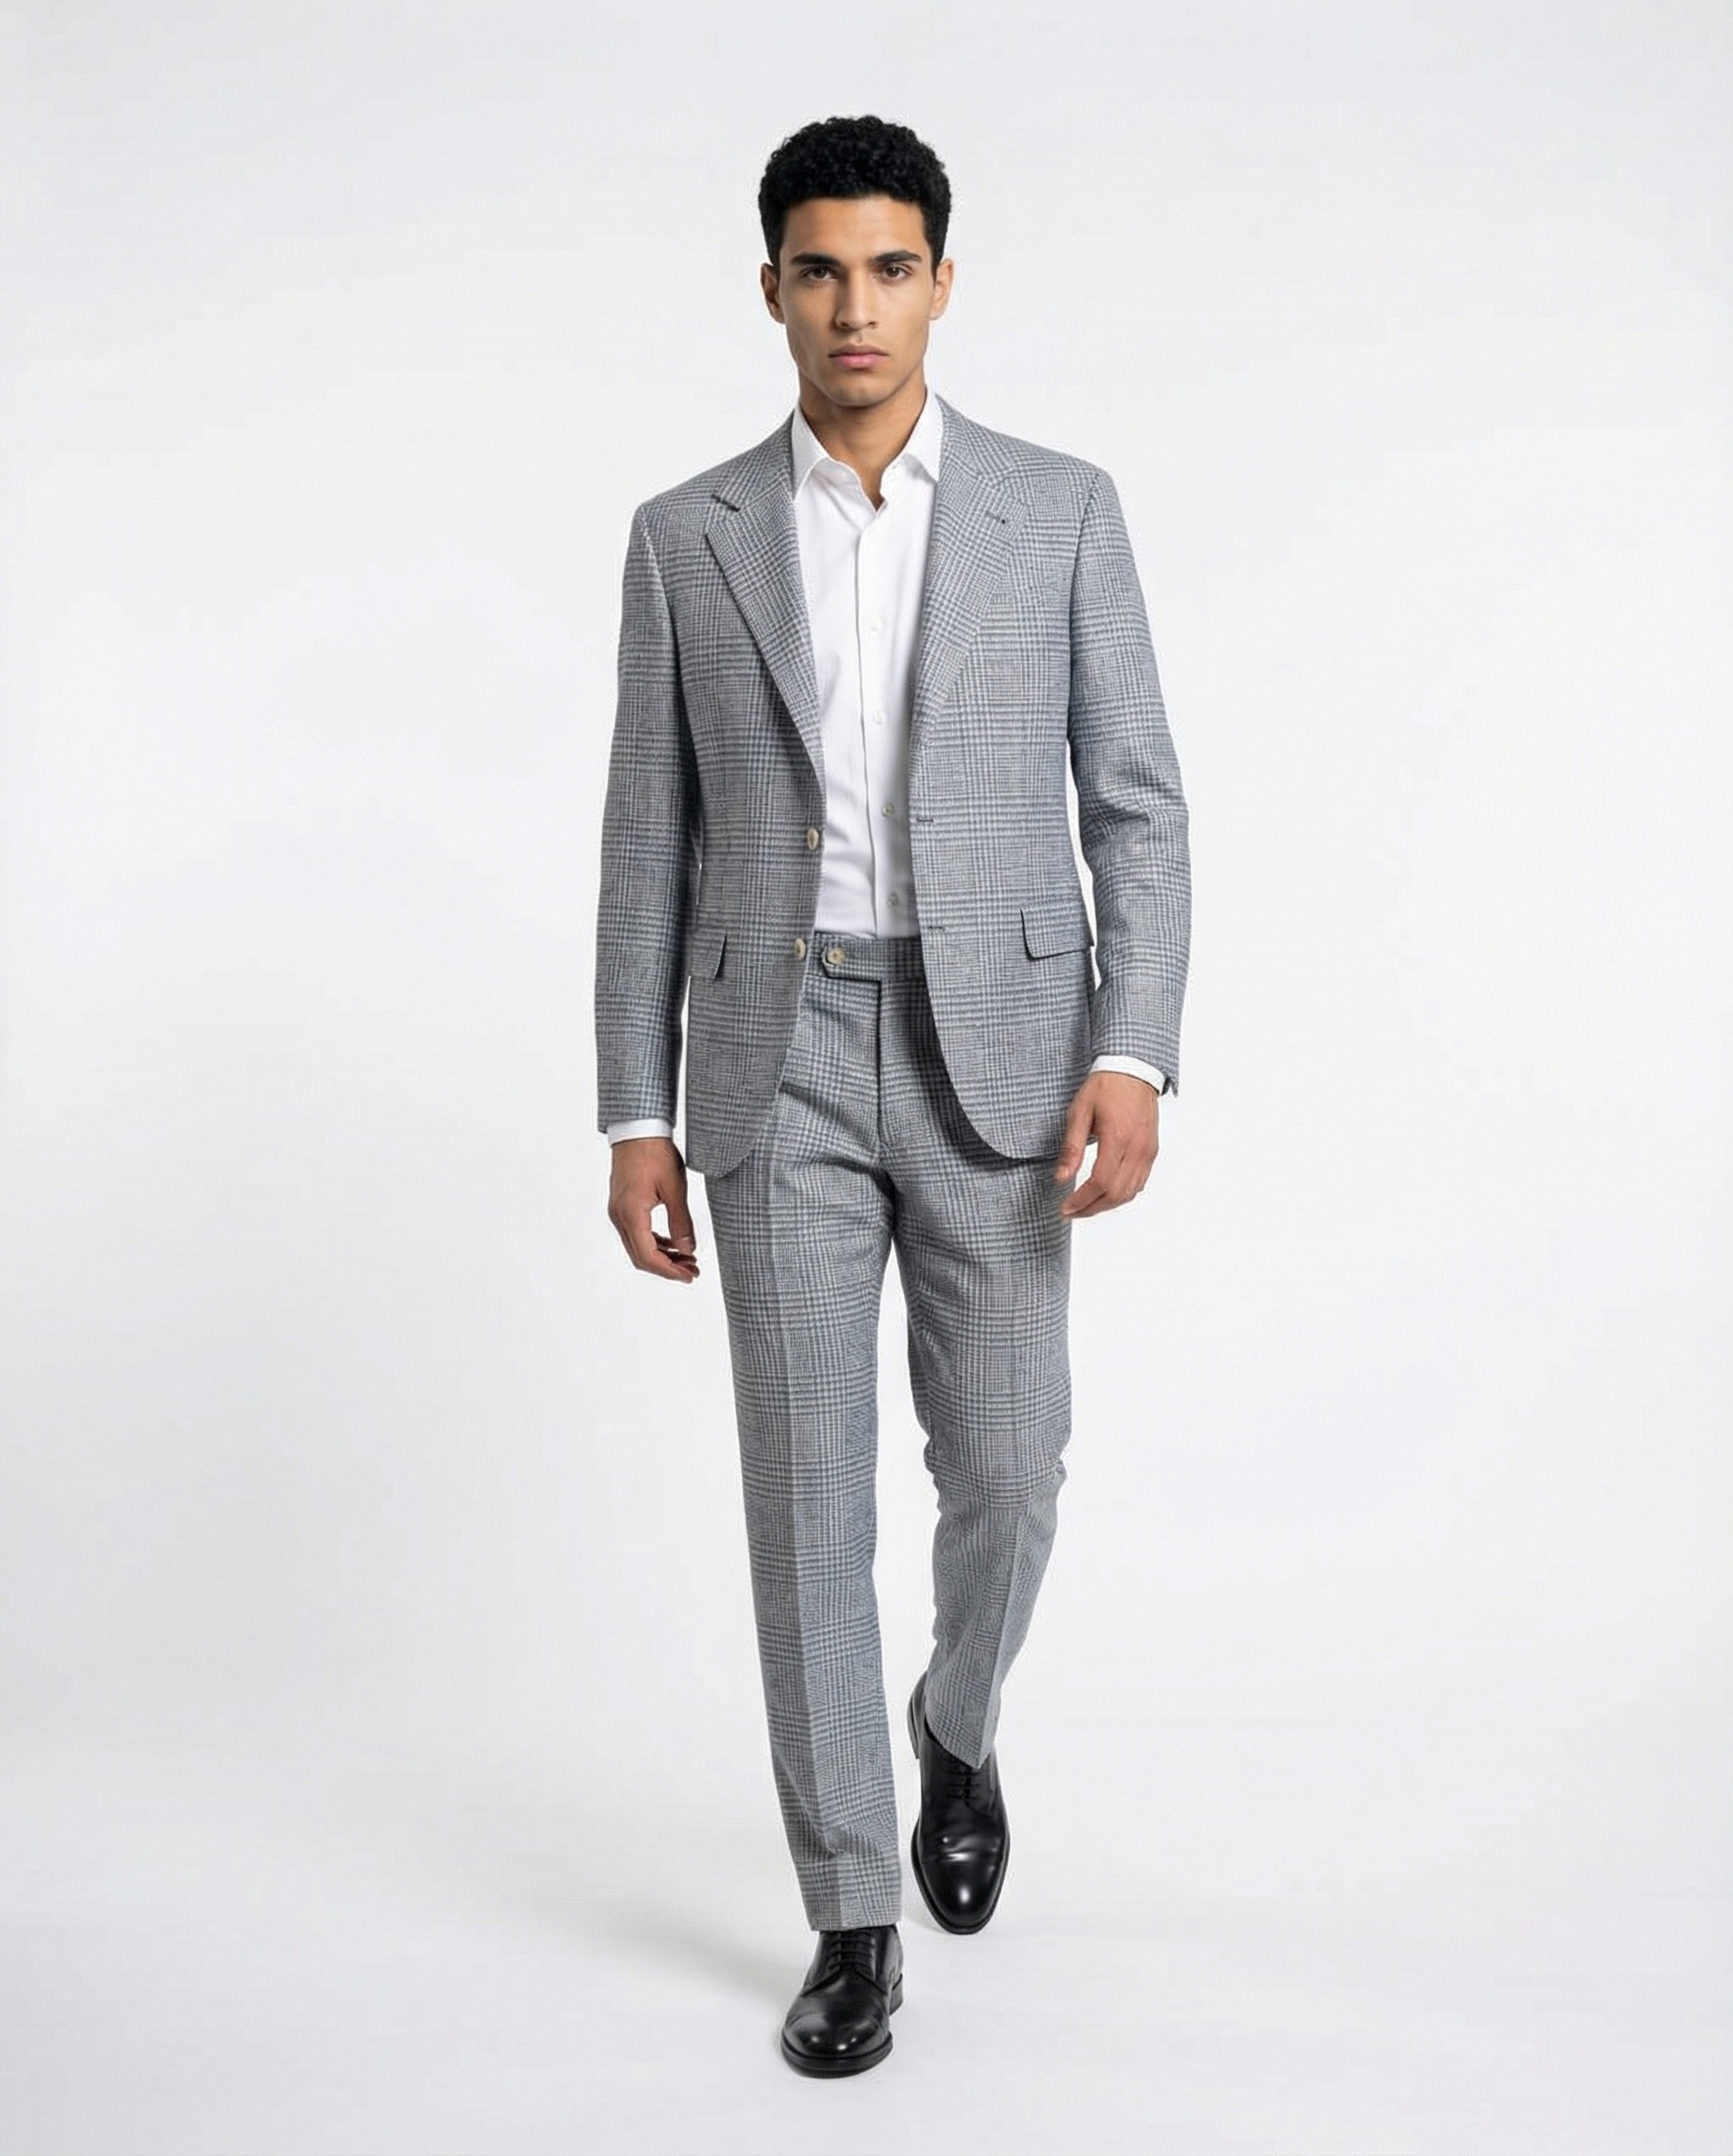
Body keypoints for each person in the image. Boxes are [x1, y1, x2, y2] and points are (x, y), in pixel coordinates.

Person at [594, 113, 1189, 2076]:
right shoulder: (685, 536)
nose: (855, 305)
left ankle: (957, 1721)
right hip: (773, 1062)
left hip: (1000, 1054)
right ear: (770, 289)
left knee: (1009, 1469)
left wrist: (1130, 1049)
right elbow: (648, 838)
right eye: (819, 270)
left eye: (890, 267)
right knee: (804, 1507)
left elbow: (1137, 804)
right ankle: (851, 1908)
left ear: (940, 283)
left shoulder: (1059, 511)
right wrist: (632, 1106)